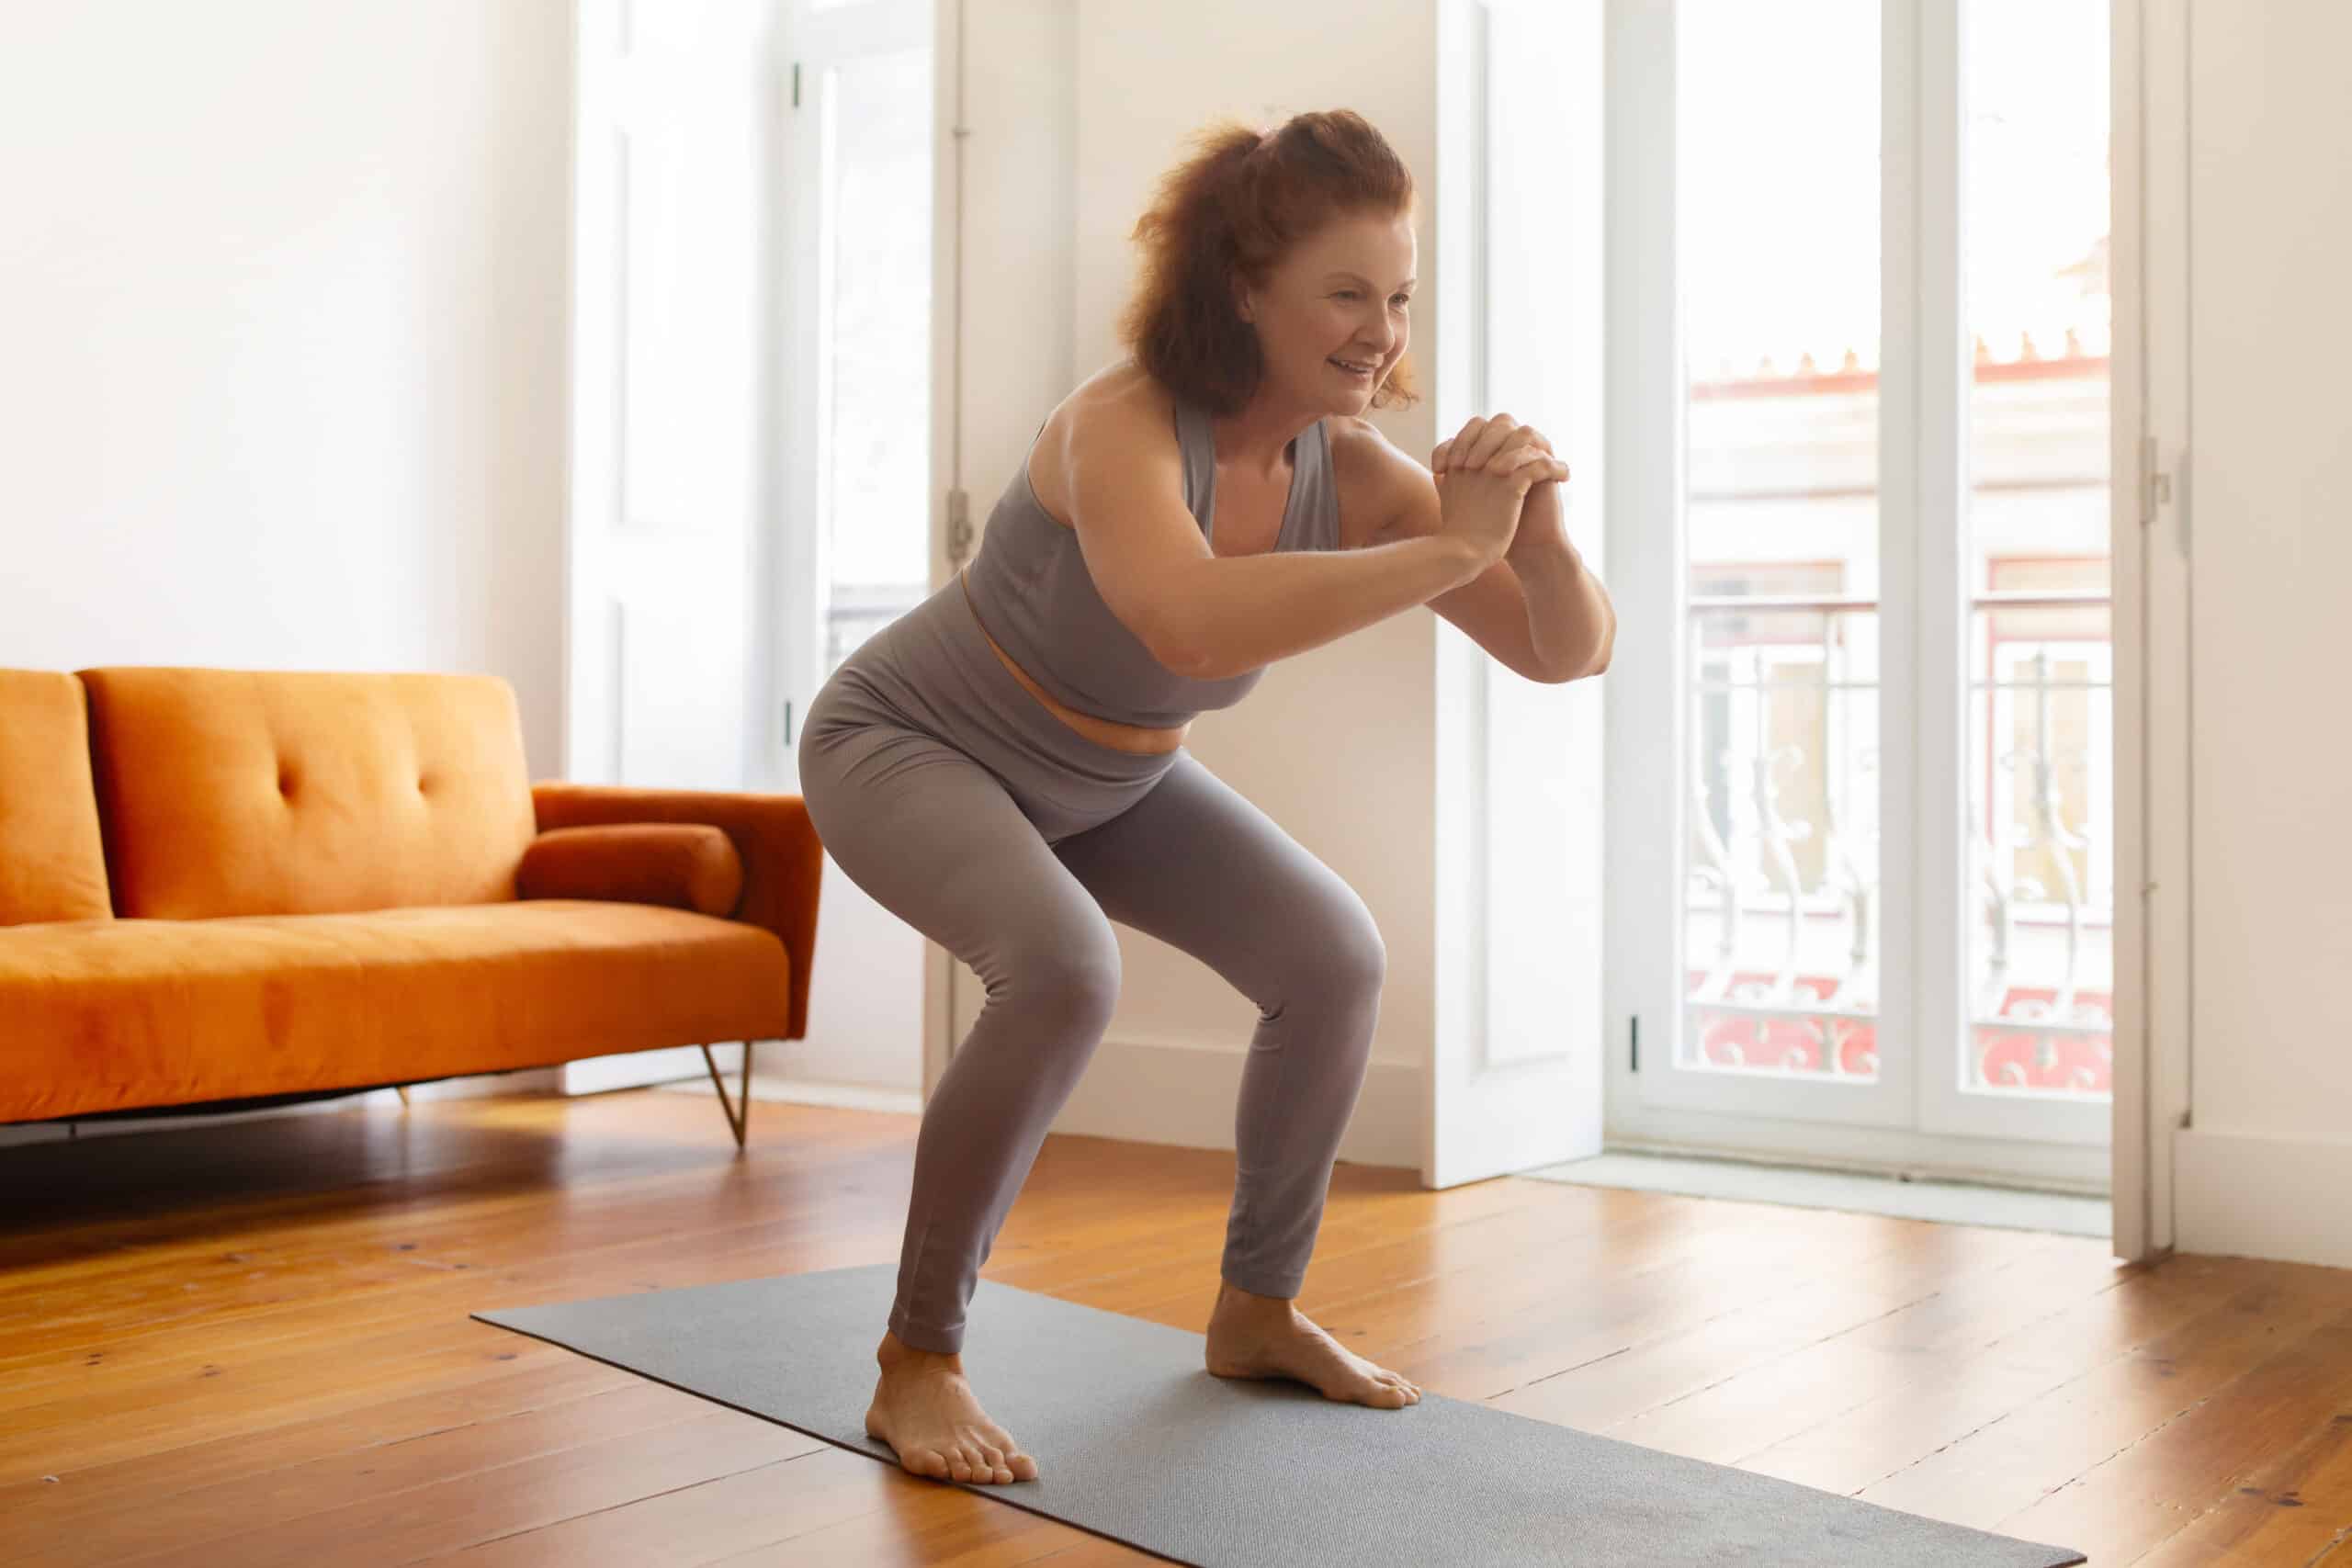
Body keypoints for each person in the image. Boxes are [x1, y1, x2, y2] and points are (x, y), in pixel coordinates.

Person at [797, 107, 1612, 1488]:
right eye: (1345, 294)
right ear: (1244, 291)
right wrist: (1450, 547)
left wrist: (1534, 531)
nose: (1381, 331)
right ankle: (917, 1359)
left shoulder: (1346, 470)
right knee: (1060, 971)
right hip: (912, 740)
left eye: (1398, 297)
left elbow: (1559, 648)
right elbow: (1185, 620)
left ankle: (1256, 1309)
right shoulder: (1114, 426)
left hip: (1115, 771)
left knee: (1331, 955)